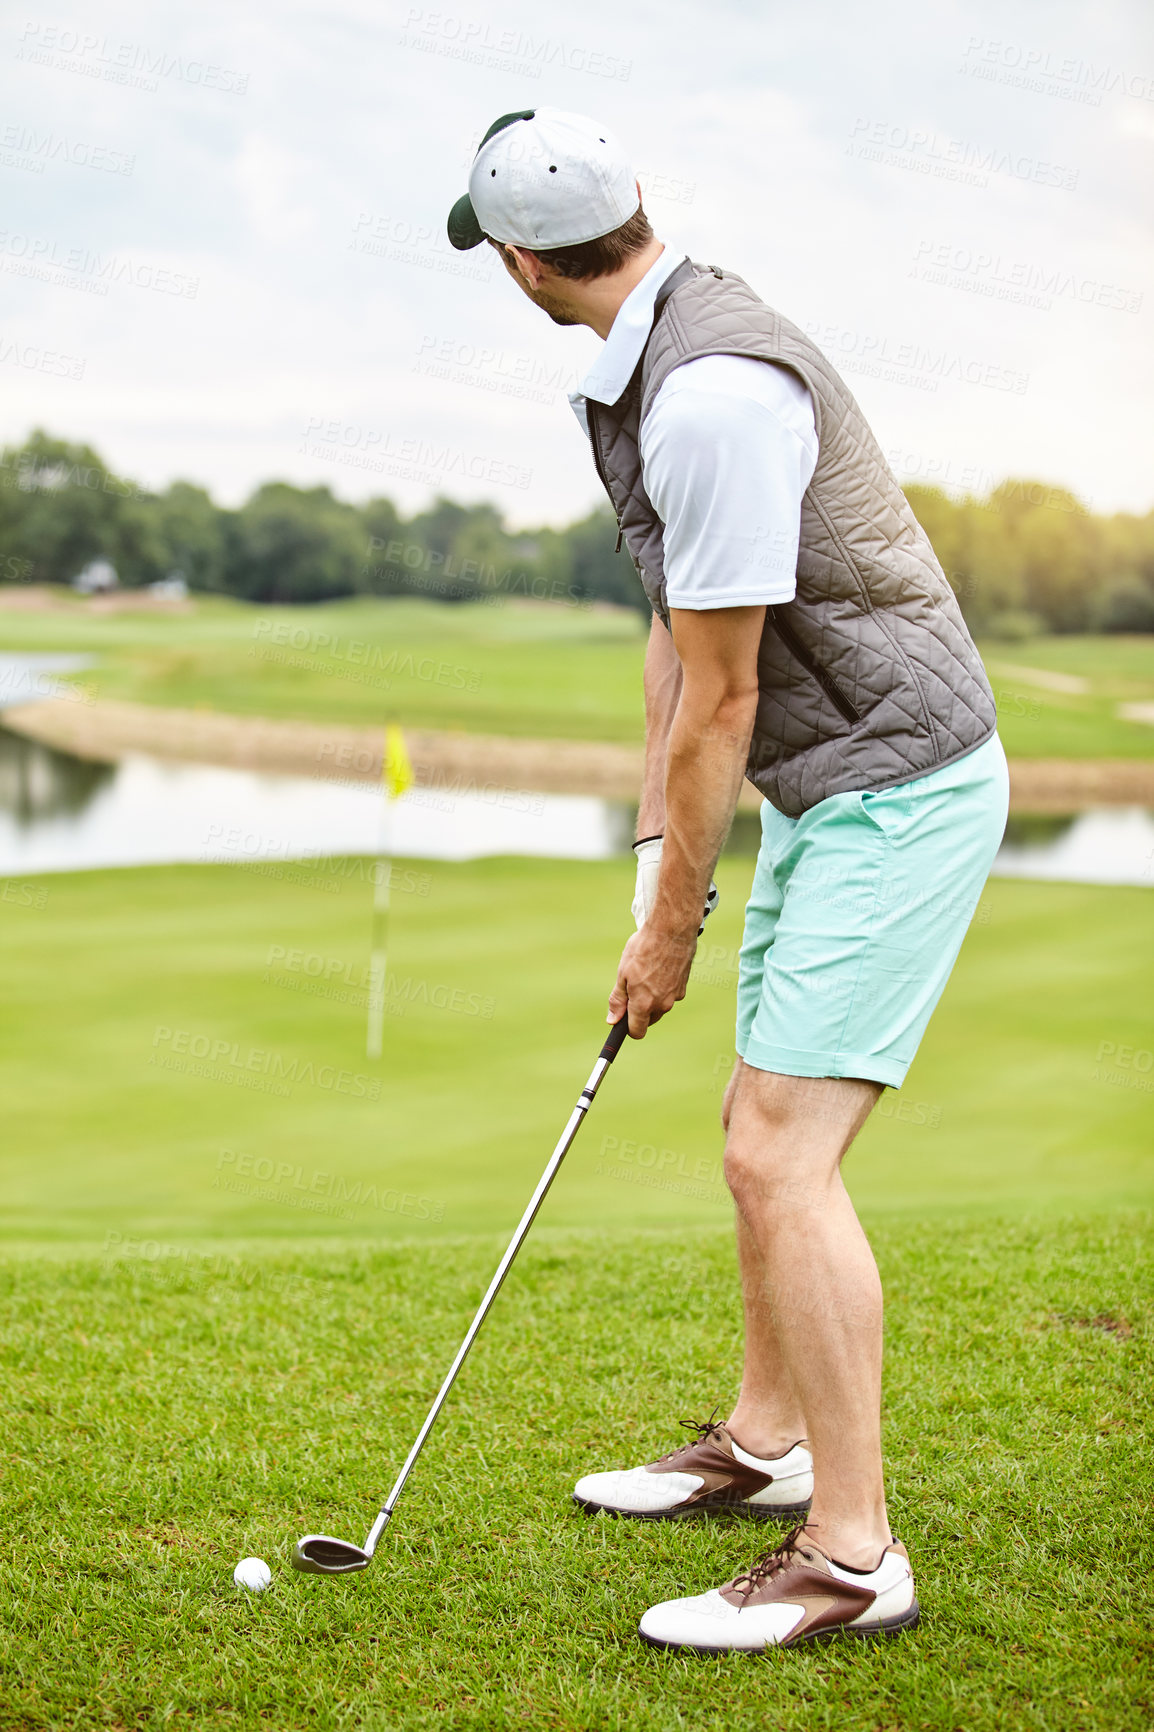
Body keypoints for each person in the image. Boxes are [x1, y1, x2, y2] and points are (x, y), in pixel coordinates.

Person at [447, 107, 1008, 1653]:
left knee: (778, 1156)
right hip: (833, 790)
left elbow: (724, 701)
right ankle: (765, 1451)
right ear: (636, 207)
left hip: (897, 787)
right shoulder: (655, 355)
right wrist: (652, 868)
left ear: (514, 261)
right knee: (751, 1138)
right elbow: (681, 631)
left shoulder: (706, 394)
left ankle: (850, 1552)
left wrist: (673, 934)